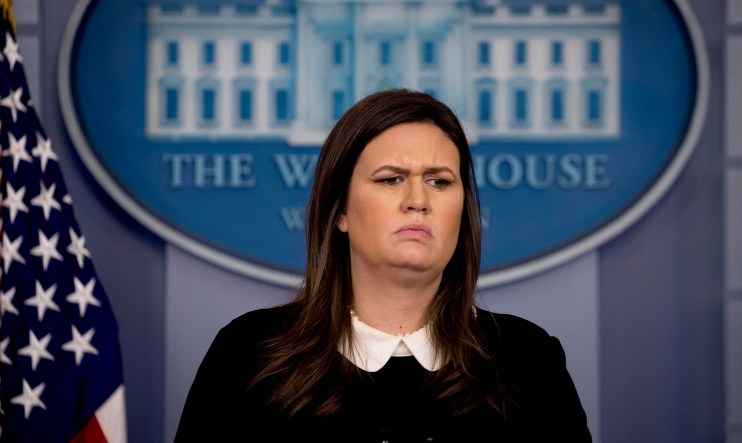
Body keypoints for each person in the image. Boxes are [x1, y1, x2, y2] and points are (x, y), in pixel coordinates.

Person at [174, 89, 591, 442]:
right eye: (390, 179)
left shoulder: (529, 360)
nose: (418, 200)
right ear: (341, 211)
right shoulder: (249, 354)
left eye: (440, 181)